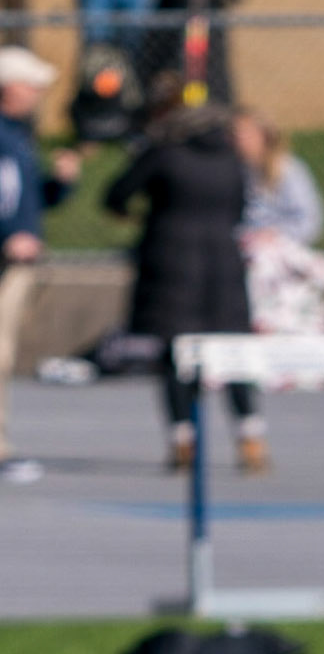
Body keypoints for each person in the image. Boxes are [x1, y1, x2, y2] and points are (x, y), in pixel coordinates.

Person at [103, 73, 268, 472]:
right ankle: (250, 436)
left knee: (177, 354)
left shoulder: (162, 152)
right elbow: (240, 209)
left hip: (170, 263)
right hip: (223, 265)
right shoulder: (230, 157)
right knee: (232, 352)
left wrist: (138, 214)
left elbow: (117, 195)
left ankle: (183, 440)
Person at [0, 46, 80, 484]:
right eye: (30, 86)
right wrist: (8, 236)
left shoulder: (18, 135)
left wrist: (61, 184)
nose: (37, 94)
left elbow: (27, 201)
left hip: (17, 261)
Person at [233, 108, 324, 335]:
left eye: (244, 133)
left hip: (280, 257)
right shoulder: (235, 171)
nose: (238, 140)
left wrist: (275, 236)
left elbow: (310, 220)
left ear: (264, 135)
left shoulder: (287, 169)